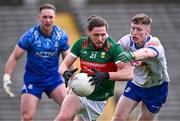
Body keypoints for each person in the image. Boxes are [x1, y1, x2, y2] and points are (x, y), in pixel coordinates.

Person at [54, 15, 133, 121]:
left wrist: (106, 75)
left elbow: (128, 74)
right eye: (96, 35)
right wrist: (65, 73)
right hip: (79, 88)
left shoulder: (114, 48)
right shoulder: (81, 43)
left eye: (103, 34)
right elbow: (63, 66)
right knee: (63, 117)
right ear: (88, 32)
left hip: (98, 99)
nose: (100, 39)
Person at [2, 3, 71, 121]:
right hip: (33, 80)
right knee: (27, 117)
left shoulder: (61, 36)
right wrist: (7, 76)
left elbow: (68, 60)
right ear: (39, 17)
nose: (48, 20)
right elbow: (14, 56)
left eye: (50, 17)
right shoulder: (30, 36)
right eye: (45, 17)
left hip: (54, 79)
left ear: (55, 18)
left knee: (71, 109)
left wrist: (73, 78)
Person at [112, 13, 170, 121]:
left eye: (139, 29)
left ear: (148, 31)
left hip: (156, 87)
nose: (134, 32)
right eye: (133, 28)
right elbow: (115, 49)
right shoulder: (127, 39)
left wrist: (132, 55)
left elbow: (147, 53)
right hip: (136, 83)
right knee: (118, 118)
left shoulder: (155, 43)